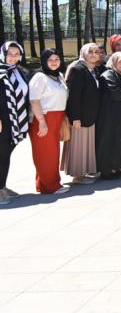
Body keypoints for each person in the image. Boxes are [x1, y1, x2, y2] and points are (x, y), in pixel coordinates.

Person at [28, 49, 69, 195]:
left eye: (57, 59)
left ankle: (44, 183)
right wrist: (42, 122)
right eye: (50, 60)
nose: (54, 62)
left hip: (57, 118)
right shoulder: (40, 77)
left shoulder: (59, 76)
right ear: (44, 61)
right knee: (45, 153)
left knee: (52, 152)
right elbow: (34, 100)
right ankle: (51, 186)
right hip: (43, 118)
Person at [63, 43, 101, 185]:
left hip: (89, 116)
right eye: (90, 51)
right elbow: (74, 96)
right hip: (80, 117)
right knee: (78, 146)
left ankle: (83, 173)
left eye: (96, 51)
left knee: (85, 145)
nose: (93, 54)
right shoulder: (78, 69)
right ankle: (77, 175)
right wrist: (75, 117)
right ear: (83, 53)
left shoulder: (92, 70)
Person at [96, 52, 121, 180]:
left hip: (119, 115)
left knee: (118, 141)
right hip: (109, 116)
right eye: (120, 61)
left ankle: (115, 167)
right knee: (108, 141)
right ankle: (106, 170)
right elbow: (116, 93)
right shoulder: (108, 75)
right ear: (114, 62)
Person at [0, 42, 29, 203]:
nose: (13, 57)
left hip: (15, 121)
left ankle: (2, 185)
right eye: (9, 53)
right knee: (1, 154)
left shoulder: (18, 72)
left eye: (16, 54)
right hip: (2, 122)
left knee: (5, 154)